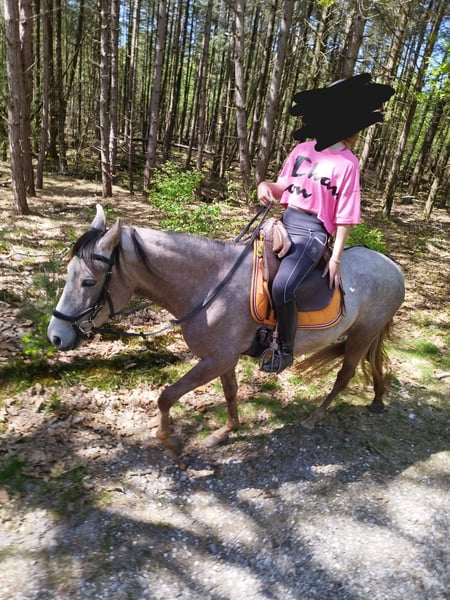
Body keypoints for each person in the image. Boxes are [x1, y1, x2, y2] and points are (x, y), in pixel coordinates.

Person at [257, 73, 395, 373]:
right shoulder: (301, 151)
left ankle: (284, 350)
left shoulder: (348, 164)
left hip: (312, 233)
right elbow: (283, 186)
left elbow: (345, 215)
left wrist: (335, 258)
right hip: (284, 223)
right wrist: (265, 186)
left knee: (282, 286)